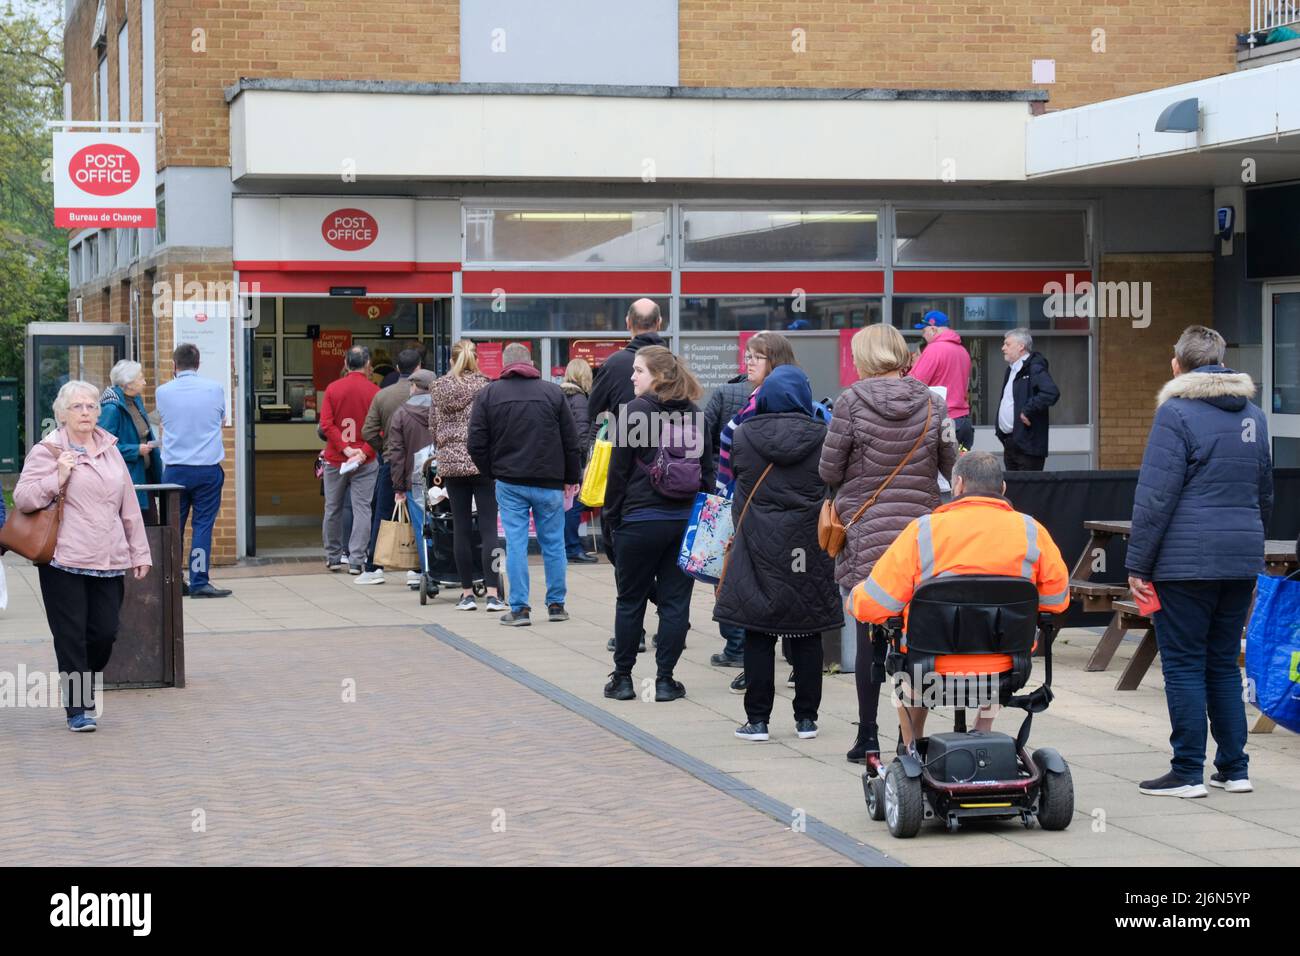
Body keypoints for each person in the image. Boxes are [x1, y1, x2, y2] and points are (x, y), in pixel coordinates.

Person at [1127, 326, 1273, 799]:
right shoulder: (1253, 414)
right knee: (1224, 664)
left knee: (1185, 665)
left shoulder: (1176, 413)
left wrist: (1137, 566)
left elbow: (1155, 498)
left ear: (1177, 365)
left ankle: (1188, 770)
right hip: (1240, 557)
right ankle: (1234, 768)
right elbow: (1264, 493)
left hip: (1184, 564)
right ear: (1222, 361)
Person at [847, 451, 1070, 751]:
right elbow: (1057, 601)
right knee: (993, 636)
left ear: (959, 485)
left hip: (929, 668)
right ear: (1002, 489)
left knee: (908, 666)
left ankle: (911, 747)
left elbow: (875, 604)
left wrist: (856, 597)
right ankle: (983, 728)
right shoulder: (1032, 531)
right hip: (1005, 666)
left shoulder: (923, 532)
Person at [819, 323, 958, 763]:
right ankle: (909, 740)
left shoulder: (849, 402)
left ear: (864, 358)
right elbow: (954, 467)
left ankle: (867, 738)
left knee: (867, 641)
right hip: (921, 541)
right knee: (914, 641)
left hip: (866, 537)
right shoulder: (934, 404)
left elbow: (828, 470)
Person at [13, 380, 152, 731]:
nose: (86, 412)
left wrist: (140, 551)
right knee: (71, 635)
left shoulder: (110, 448)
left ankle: (82, 683)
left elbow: (129, 505)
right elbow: (24, 498)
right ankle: (78, 708)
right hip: (64, 560)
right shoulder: (48, 450)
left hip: (108, 557)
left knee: (105, 633)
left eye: (91, 406)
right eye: (78, 406)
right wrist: (57, 477)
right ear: (63, 413)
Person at [713, 365, 840, 741]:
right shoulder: (822, 434)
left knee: (758, 629)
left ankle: (758, 720)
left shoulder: (744, 434)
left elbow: (728, 480)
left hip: (757, 542)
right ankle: (806, 719)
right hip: (807, 546)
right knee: (807, 628)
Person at [602, 346, 714, 703]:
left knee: (630, 600)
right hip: (682, 523)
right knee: (675, 603)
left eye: (638, 370)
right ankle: (665, 680)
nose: (632, 376)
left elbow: (617, 474)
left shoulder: (634, 413)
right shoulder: (695, 416)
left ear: (659, 376)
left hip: (638, 520)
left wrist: (611, 521)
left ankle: (622, 679)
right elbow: (707, 477)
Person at [468, 342, 580, 625]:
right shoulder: (553, 393)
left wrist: (491, 471)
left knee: (516, 544)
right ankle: (556, 605)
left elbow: (476, 443)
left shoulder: (489, 394)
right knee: (554, 544)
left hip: (510, 481)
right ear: (530, 362)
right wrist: (571, 478)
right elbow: (571, 441)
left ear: (504, 365)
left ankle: (520, 609)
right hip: (549, 481)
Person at [711, 332, 799, 684]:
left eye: (757, 357)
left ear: (775, 362)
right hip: (758, 504)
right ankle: (787, 662)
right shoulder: (757, 397)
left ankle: (757, 665)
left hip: (758, 506)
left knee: (758, 585)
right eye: (747, 356)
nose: (748, 362)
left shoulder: (768, 402)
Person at [587, 298, 667, 560]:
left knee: (626, 566)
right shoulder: (674, 364)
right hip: (670, 476)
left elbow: (593, 413)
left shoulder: (613, 364)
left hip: (626, 478)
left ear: (627, 324)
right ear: (659, 323)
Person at [430, 340, 504, 612]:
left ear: (451, 361)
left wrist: (447, 449)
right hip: (483, 463)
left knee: (460, 528)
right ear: (476, 360)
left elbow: (434, 428)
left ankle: (466, 594)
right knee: (488, 530)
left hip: (451, 465)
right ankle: (494, 593)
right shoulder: (487, 387)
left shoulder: (438, 388)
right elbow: (494, 426)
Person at [155, 343, 231, 598]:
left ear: (174, 365)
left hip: (175, 471)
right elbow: (222, 420)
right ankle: (199, 581)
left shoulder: (162, 392)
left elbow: (163, 419)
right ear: (198, 364)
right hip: (207, 470)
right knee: (202, 527)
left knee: (173, 527)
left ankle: (174, 580)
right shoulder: (215, 388)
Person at [359, 348, 422, 585]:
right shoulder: (428, 394)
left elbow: (367, 431)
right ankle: (417, 569)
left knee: (383, 513)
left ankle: (374, 567)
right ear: (419, 368)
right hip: (420, 463)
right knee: (420, 513)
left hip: (390, 461)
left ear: (397, 368)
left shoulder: (383, 395)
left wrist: (383, 448)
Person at [320, 346, 381, 576]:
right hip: (365, 460)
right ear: (368, 364)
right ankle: (356, 560)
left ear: (345, 363)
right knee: (362, 508)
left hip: (336, 458)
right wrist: (363, 452)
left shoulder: (333, 389)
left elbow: (326, 424)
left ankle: (333, 556)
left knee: (332, 508)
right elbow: (381, 428)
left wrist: (345, 449)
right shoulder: (375, 391)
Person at [385, 368, 437, 584]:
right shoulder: (445, 410)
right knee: (446, 522)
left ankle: (428, 572)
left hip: (415, 480)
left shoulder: (401, 414)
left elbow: (396, 454)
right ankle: (449, 567)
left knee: (422, 527)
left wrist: (398, 487)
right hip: (445, 477)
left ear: (414, 386)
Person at [98, 360, 162, 512]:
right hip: (127, 478)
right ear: (128, 383)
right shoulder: (111, 408)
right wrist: (135, 450)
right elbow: (103, 446)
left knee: (150, 525)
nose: (145, 382)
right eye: (140, 378)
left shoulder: (136, 401)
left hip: (144, 476)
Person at [907, 310, 974, 450]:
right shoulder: (963, 351)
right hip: (964, 424)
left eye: (924, 331)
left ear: (933, 329)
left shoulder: (934, 349)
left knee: (939, 470)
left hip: (944, 422)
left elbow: (913, 384)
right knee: (960, 467)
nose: (923, 335)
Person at [995, 328, 1059, 471]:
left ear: (1021, 346)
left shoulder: (1034, 368)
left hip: (1028, 445)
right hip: (1010, 442)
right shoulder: (1011, 370)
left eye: (1007, 344)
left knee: (1029, 491)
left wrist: (1027, 410)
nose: (1003, 348)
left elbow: (1050, 393)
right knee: (1013, 490)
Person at [560, 358, 596, 563]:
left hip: (562, 460)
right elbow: (582, 435)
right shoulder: (579, 399)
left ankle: (569, 546)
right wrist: (586, 463)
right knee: (575, 505)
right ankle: (572, 547)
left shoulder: (560, 395)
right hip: (576, 461)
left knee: (568, 505)